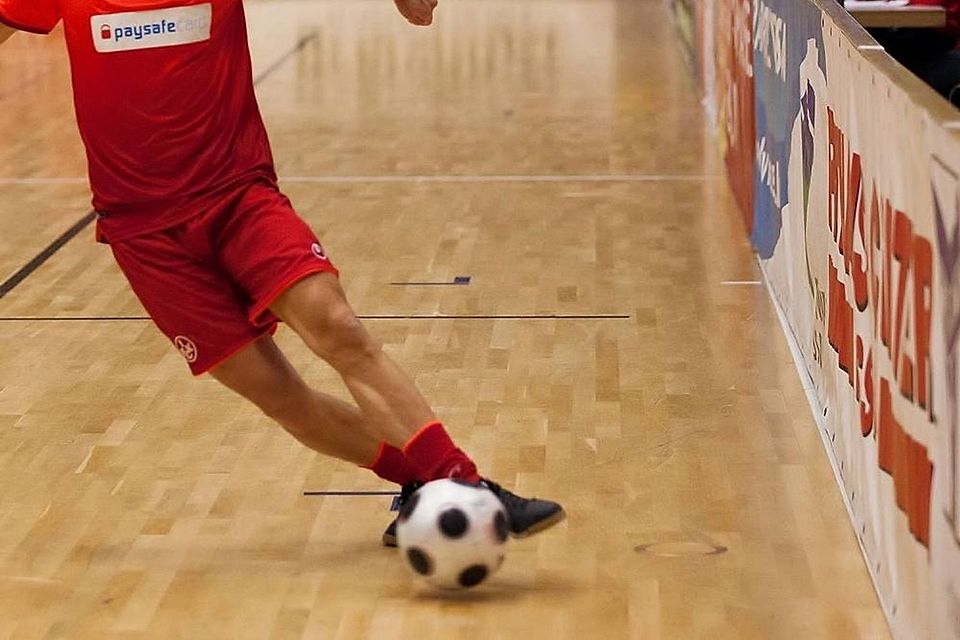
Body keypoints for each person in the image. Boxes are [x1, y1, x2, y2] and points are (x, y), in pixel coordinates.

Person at [0, 0, 564, 547]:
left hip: (237, 196)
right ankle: (423, 480)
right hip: (143, 233)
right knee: (281, 398)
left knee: (337, 325)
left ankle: (466, 486)